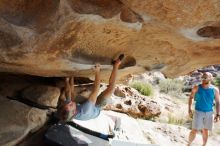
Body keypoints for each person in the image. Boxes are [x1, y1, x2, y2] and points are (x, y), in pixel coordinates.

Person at [59, 55, 124, 121]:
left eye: (68, 103)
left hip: (82, 106)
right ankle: (116, 64)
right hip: (96, 108)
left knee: (72, 96)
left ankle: (71, 77)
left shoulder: (68, 107)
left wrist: (67, 80)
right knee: (111, 89)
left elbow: (68, 92)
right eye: (70, 105)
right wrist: (97, 71)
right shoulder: (86, 110)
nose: (69, 102)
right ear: (74, 112)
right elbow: (95, 90)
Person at [187, 72, 220, 146]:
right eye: (202, 77)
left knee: (205, 130)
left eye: (205, 77)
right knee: (194, 130)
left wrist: (218, 114)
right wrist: (189, 109)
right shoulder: (197, 87)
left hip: (209, 113)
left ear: (210, 78)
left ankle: (204, 145)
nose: (203, 79)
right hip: (198, 111)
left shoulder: (214, 89)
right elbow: (191, 97)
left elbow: (218, 101)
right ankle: (188, 144)